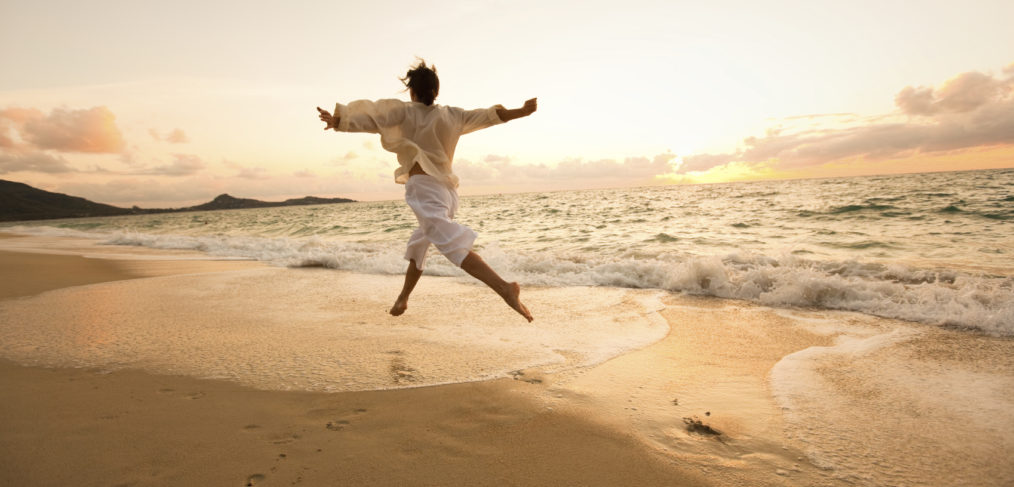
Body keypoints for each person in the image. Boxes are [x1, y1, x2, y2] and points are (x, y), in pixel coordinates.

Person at [316, 60, 536, 322]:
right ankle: (403, 298)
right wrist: (521, 111)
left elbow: (373, 118)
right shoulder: (453, 115)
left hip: (425, 189)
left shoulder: (405, 112)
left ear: (412, 92)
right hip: (448, 193)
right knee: (421, 242)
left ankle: (504, 288)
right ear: (436, 91)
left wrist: (339, 120)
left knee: (449, 243)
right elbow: (489, 116)